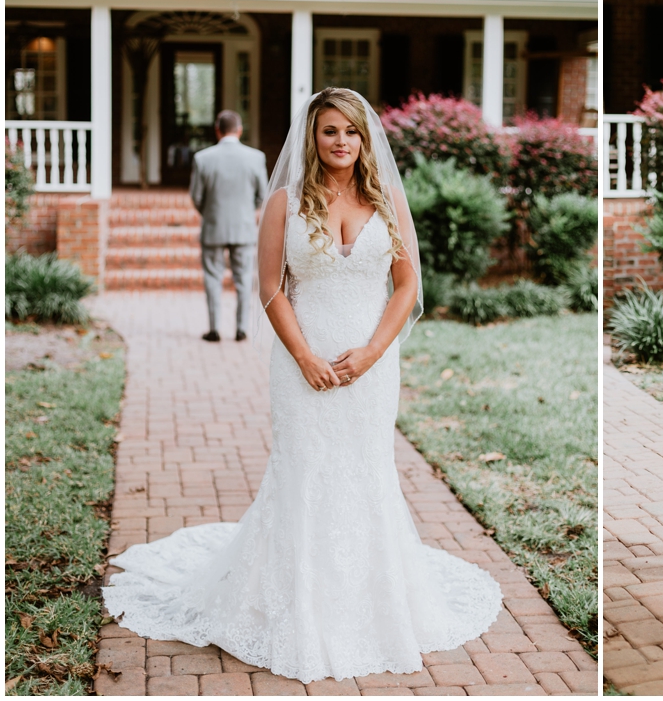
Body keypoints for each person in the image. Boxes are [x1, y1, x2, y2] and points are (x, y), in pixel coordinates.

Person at [103, 88, 502, 683]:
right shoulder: (286, 202)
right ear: (312, 139)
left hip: (371, 366)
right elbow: (270, 287)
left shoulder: (388, 199)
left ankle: (372, 604)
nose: (341, 141)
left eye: (351, 132)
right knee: (305, 469)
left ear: (366, 140)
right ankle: (293, 605)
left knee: (366, 470)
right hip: (300, 362)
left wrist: (370, 353)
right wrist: (305, 357)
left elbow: (406, 287)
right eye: (329, 131)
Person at [189, 110, 269, 342]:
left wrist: (211, 213)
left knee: (212, 279)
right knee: (244, 280)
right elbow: (262, 195)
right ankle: (241, 329)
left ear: (217, 130)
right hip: (243, 229)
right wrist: (245, 212)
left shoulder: (203, 158)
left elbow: (196, 197)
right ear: (239, 129)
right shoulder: (256, 157)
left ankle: (214, 329)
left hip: (213, 227)